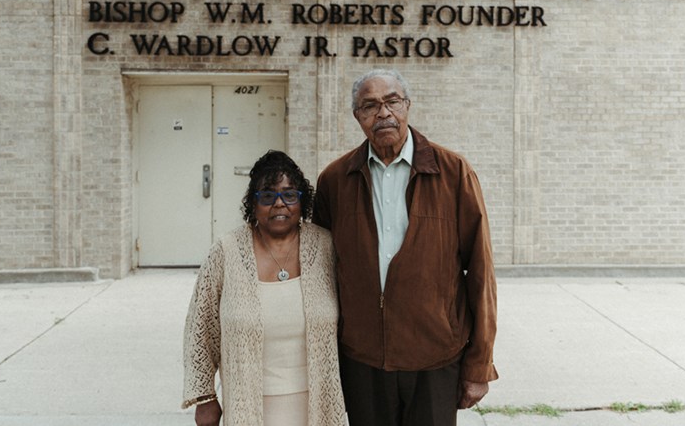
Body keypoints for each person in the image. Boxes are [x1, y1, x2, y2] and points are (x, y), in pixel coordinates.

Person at [313, 69, 498, 426]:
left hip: (435, 358)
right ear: (357, 117)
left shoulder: (454, 173)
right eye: (369, 106)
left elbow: (481, 274)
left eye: (391, 101)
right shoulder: (335, 180)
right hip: (362, 360)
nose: (382, 113)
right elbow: (321, 274)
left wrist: (479, 363)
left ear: (407, 106)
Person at [183, 150, 347, 426]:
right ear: (253, 203)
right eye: (268, 196)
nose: (279, 204)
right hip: (247, 403)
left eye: (289, 194)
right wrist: (205, 397)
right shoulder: (227, 251)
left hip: (318, 403)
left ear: (301, 200)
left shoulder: (325, 247)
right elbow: (200, 329)